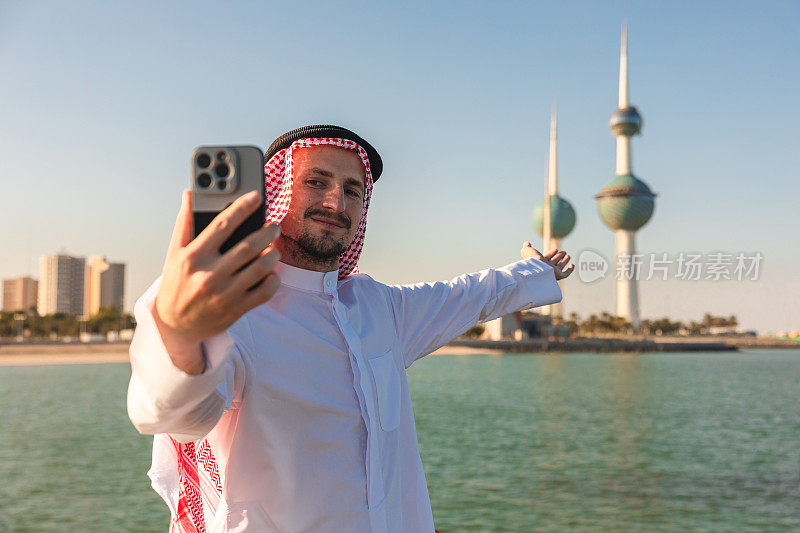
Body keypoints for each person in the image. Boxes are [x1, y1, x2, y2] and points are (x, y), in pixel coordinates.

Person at [127, 125, 575, 532]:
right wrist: (182, 332)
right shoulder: (235, 311)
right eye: (316, 182)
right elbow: (176, 416)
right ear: (276, 189)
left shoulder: (377, 307)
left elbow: (470, 294)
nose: (335, 203)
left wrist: (532, 273)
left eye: (352, 190)